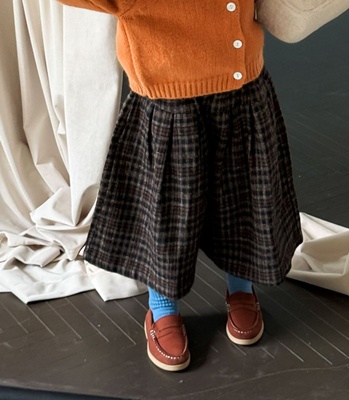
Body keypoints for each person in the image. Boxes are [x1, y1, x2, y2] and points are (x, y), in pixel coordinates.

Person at [56, 0, 302, 372]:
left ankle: (241, 287)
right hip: (169, 99)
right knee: (167, 216)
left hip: (242, 86)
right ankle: (162, 307)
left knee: (245, 198)